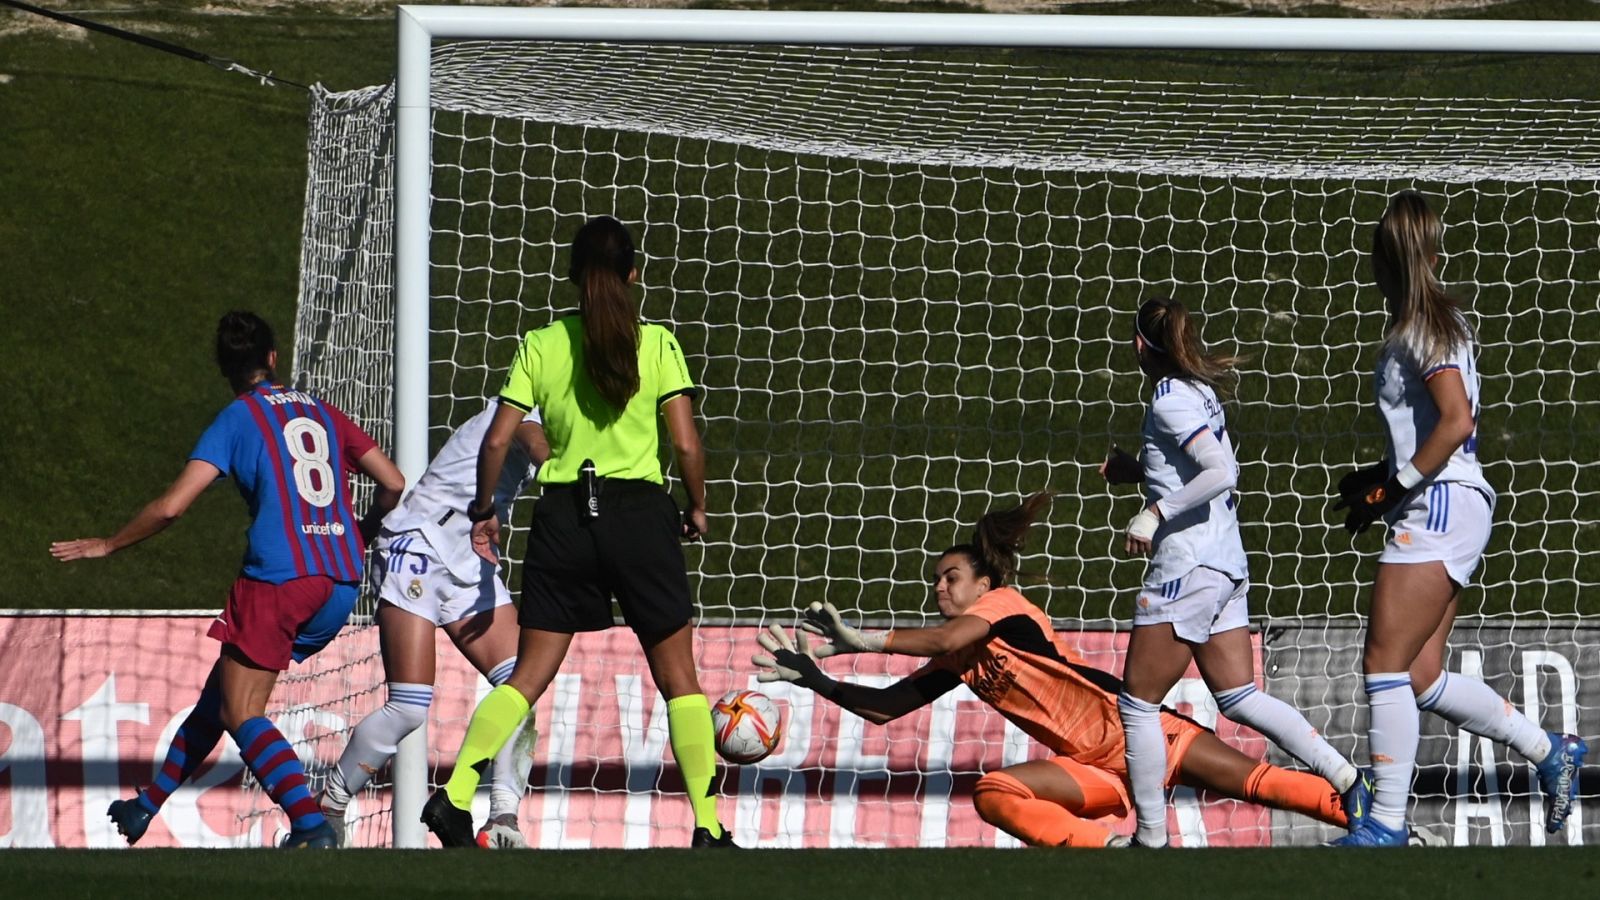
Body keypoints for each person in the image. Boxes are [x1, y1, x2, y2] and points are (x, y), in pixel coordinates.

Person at [753, 493, 1352, 848]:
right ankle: (1117, 854)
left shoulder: (1004, 610)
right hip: (1091, 769)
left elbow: (946, 635)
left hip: (1134, 729)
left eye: (949, 577)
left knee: (1262, 784)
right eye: (935, 580)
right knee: (994, 791)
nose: (938, 586)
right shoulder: (959, 657)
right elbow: (885, 709)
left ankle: (1378, 819)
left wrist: (864, 638)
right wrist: (815, 679)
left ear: (985, 584)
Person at [419, 215, 731, 848]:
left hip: (563, 515)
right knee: (679, 678)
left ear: (571, 275)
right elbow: (687, 445)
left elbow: (501, 437)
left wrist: (486, 506)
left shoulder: (542, 343)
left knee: (529, 674)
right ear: (634, 272)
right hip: (640, 515)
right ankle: (706, 824)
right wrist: (696, 508)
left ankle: (453, 798)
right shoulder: (658, 343)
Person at [50, 311, 404, 848]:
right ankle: (148, 805)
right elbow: (395, 482)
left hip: (280, 580)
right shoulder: (322, 411)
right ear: (272, 358)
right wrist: (361, 531)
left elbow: (171, 508)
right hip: (340, 582)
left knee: (242, 711)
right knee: (223, 693)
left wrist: (108, 543)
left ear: (225, 369)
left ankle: (312, 826)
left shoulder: (236, 419)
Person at [1328, 190, 1586, 846]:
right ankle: (1550, 750)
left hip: (1440, 504)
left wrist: (1397, 488)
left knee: (1385, 665)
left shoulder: (1423, 326)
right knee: (1420, 675)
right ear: (1432, 252)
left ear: (1382, 259)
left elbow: (1456, 421)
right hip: (1451, 502)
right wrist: (1382, 479)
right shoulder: (1434, 322)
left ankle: (1386, 826)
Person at [1101, 297, 1367, 848]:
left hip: (1188, 567)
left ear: (1140, 345)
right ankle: (1346, 777)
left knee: (1137, 702)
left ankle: (1150, 839)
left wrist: (1154, 512)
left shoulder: (1170, 399)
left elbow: (1221, 472)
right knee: (1239, 696)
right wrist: (1139, 473)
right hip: (1225, 563)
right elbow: (1190, 470)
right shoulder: (1198, 392)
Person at [318, 400, 548, 848]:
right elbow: (533, 440)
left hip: (468, 557)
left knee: (524, 685)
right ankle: (329, 806)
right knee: (408, 706)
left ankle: (503, 819)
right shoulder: (528, 406)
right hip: (420, 545)